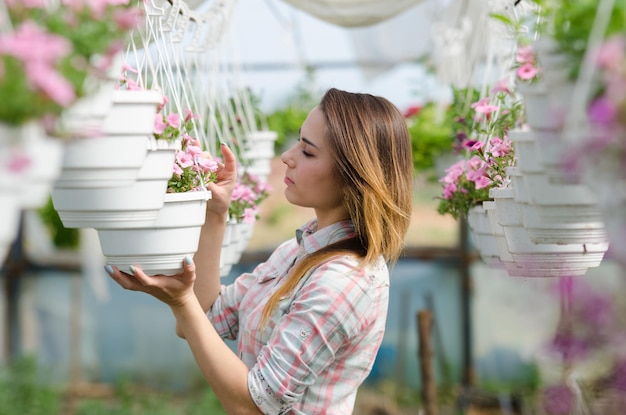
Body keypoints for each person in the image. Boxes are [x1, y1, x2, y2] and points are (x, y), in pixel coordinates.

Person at [105, 87, 414, 414]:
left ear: (355, 176)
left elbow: (253, 406)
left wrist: (181, 301)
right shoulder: (298, 251)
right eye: (298, 141)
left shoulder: (341, 281)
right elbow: (207, 318)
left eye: (308, 152)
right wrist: (215, 215)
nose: (288, 156)